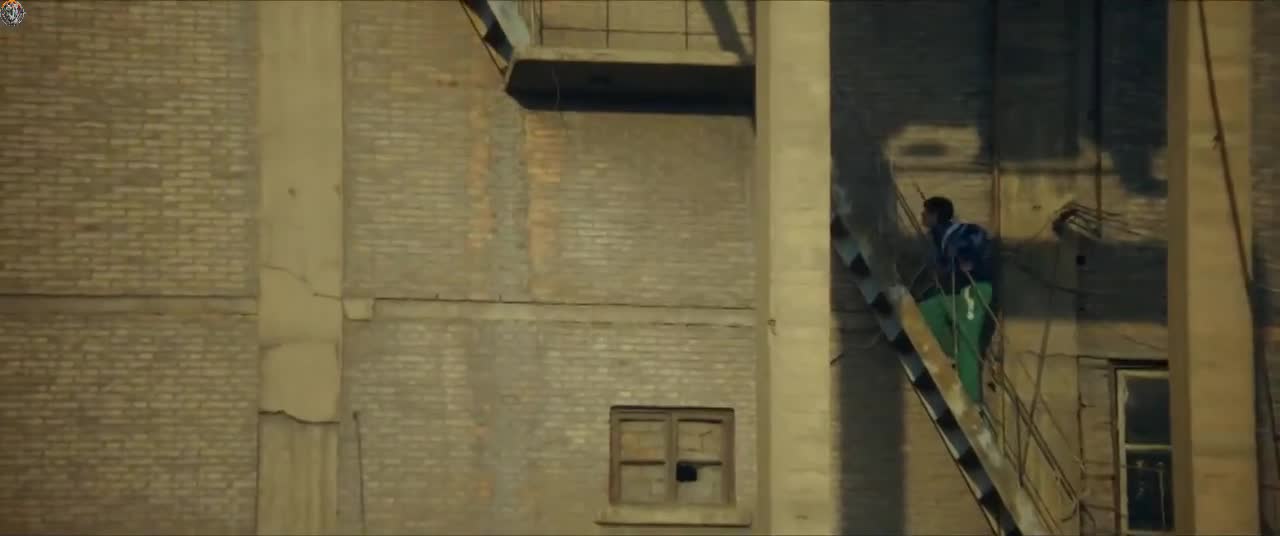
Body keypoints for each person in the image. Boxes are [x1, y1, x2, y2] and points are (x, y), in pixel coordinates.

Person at [916, 196, 993, 403]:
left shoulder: (964, 231)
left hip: (974, 288)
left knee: (967, 338)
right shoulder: (937, 237)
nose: (922, 216)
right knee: (926, 312)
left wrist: (969, 261)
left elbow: (978, 248)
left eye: (925, 212)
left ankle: (971, 400)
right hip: (955, 291)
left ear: (935, 215)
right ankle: (951, 354)